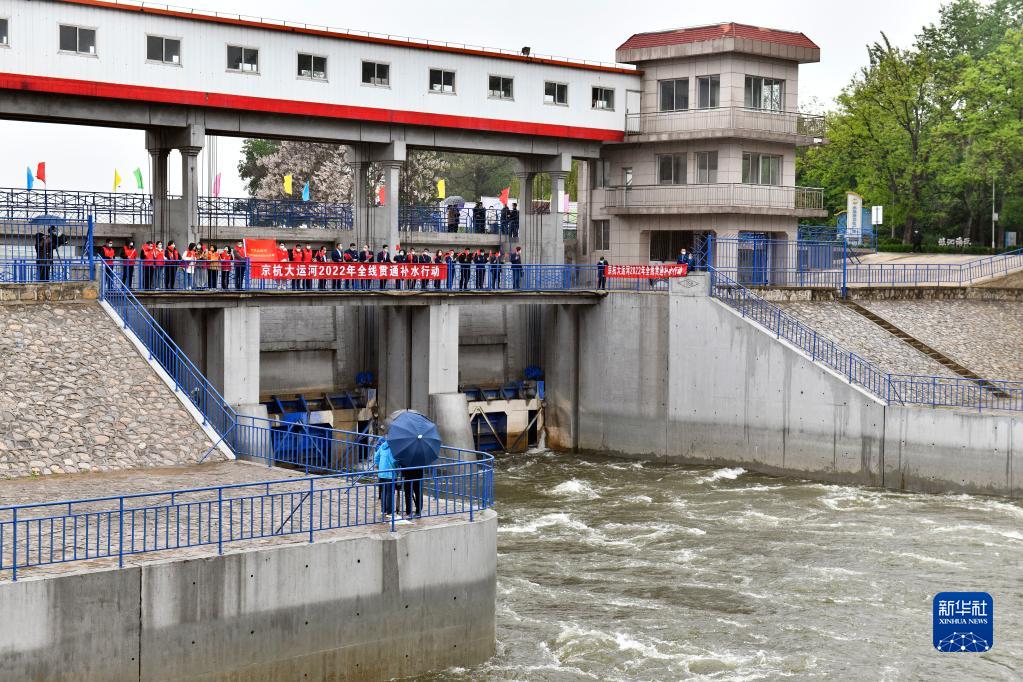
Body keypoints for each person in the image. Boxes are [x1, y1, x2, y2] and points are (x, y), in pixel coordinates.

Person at [374, 438, 398, 517]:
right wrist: (398, 467)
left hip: (381, 474)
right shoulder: (393, 449)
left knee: (383, 492)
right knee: (390, 493)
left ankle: (383, 510)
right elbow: (394, 461)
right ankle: (389, 512)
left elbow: (376, 457)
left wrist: (380, 466)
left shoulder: (382, 446)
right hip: (390, 475)